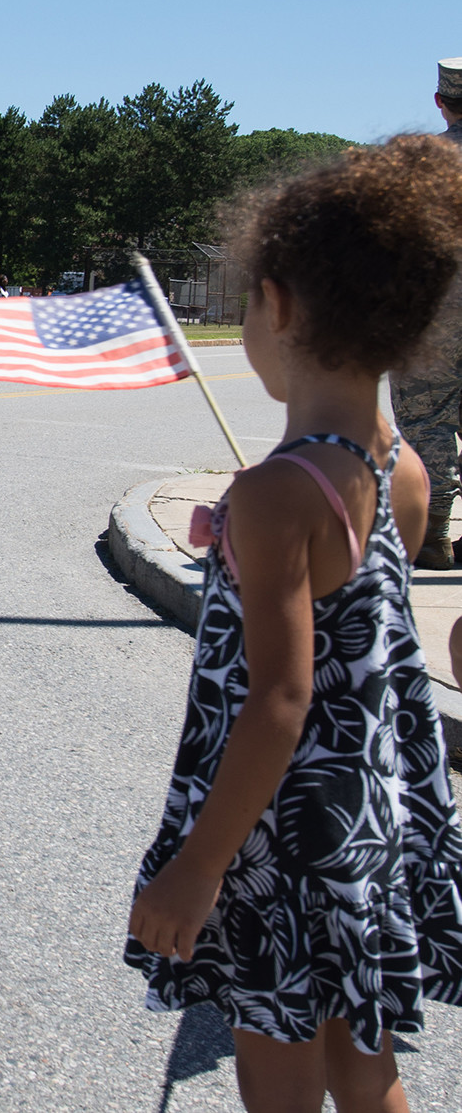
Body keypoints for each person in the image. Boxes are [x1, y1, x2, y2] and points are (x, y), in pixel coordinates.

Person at [125, 134, 462, 1113]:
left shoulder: (280, 493)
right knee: (367, 1068)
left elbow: (281, 698)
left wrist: (199, 867)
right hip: (368, 822)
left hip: (282, 838)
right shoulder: (404, 471)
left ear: (277, 306)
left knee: (278, 1076)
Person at [390, 57, 462, 569]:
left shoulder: (421, 165)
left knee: (427, 418)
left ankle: (432, 535)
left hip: (435, 310)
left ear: (440, 100)